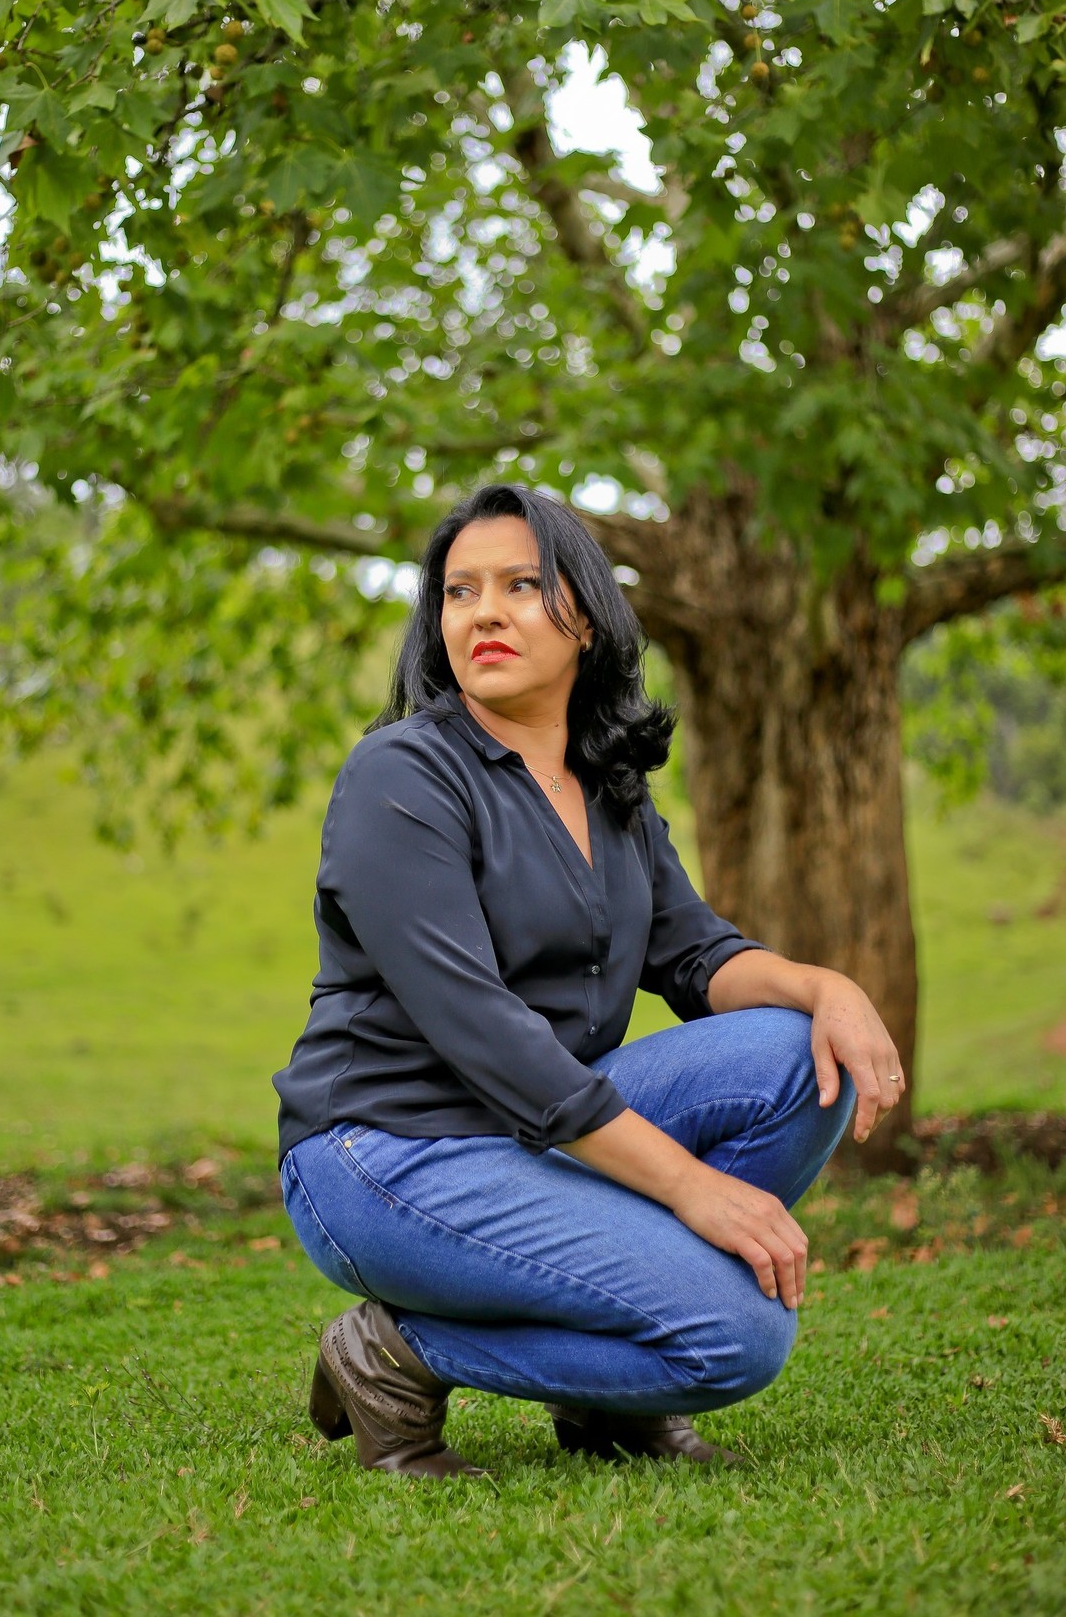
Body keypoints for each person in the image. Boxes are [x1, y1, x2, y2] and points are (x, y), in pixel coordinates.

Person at [273, 483, 905, 1479]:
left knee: (796, 1054)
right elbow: (483, 1031)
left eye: (521, 586)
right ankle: (396, 1353)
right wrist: (692, 1189)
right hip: (387, 1153)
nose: (483, 613)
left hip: (532, 1132)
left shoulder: (608, 786)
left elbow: (698, 957)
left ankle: (612, 1390)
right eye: (460, 592)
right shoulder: (401, 775)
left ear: (588, 618)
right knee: (738, 1335)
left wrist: (828, 987)